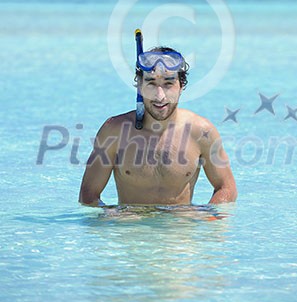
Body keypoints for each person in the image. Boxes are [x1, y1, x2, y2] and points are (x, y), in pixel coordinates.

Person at [79, 45, 237, 207]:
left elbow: (226, 188)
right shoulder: (114, 131)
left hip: (180, 228)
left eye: (168, 84)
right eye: (151, 83)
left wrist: (207, 217)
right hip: (132, 229)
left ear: (181, 86)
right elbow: (88, 194)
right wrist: (110, 215)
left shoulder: (201, 132)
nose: (160, 96)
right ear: (139, 85)